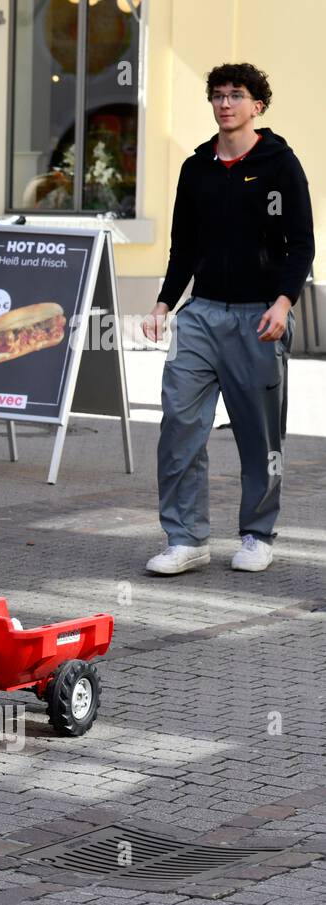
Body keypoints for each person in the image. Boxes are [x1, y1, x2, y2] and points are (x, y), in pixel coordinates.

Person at [142, 63, 314, 575]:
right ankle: (186, 538)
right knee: (179, 425)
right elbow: (183, 246)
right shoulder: (196, 167)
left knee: (259, 437)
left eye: (236, 95)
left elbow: (300, 243)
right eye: (217, 95)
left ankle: (258, 534)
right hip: (201, 315)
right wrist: (164, 303)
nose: (224, 103)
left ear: (257, 104)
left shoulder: (280, 164)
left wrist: (284, 303)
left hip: (259, 318)